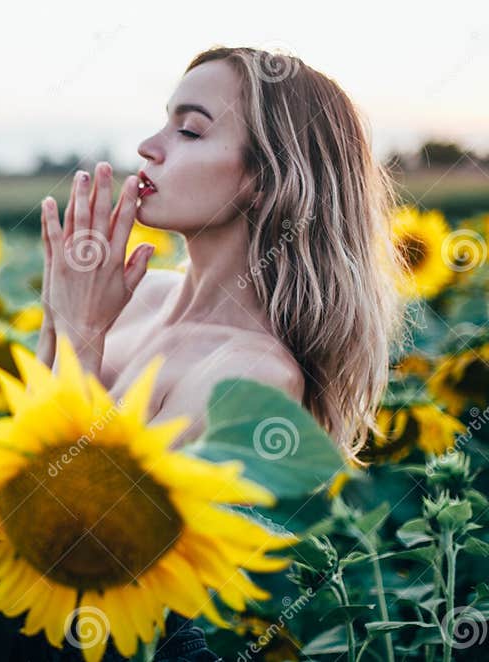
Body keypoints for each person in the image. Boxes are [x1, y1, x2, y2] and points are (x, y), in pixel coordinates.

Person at [29, 44, 410, 660]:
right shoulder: (133, 294)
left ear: (266, 177)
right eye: (165, 121)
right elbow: (24, 461)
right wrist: (58, 320)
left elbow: (86, 548)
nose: (150, 147)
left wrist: (76, 336)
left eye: (189, 130)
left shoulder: (253, 377)